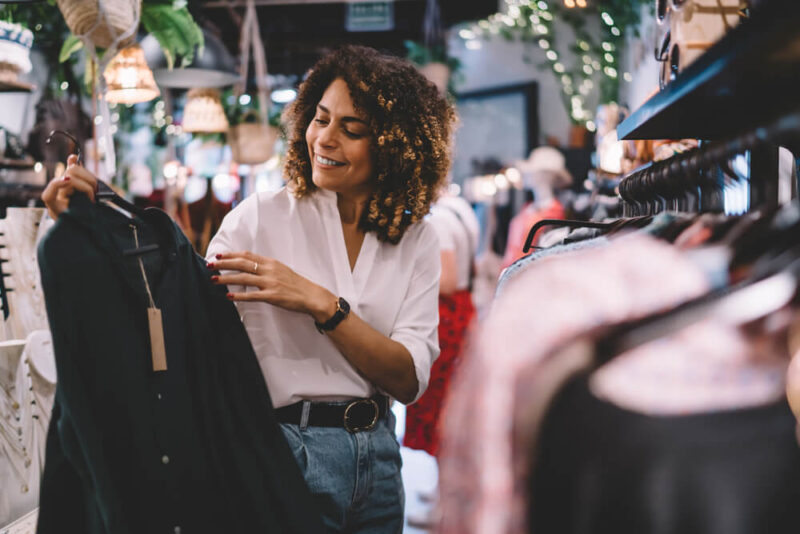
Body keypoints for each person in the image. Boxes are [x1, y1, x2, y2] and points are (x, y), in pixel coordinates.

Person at [41, 44, 457, 533]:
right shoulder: (262, 217)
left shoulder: (417, 239)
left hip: (381, 462)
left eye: (352, 129)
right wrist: (95, 224)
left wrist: (322, 304)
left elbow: (407, 379)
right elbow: (180, 305)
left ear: (395, 146)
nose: (324, 139)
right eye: (320, 118)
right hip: (284, 452)